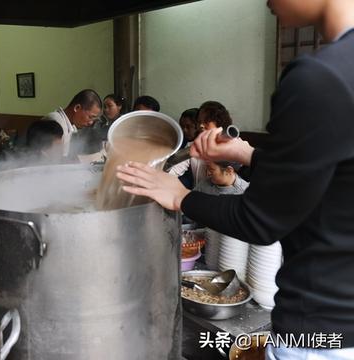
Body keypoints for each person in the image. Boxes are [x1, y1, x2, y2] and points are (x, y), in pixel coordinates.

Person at [117, 1, 354, 358]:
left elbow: (260, 220)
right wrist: (248, 154)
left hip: (317, 332)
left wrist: (179, 196)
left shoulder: (320, 77)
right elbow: (334, 182)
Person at [170, 101, 234, 188]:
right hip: (199, 195)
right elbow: (175, 170)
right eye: (200, 122)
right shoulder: (192, 146)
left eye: (206, 122)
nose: (201, 125)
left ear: (219, 122)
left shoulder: (233, 145)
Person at [41, 89, 102, 158]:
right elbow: (52, 160)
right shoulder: (55, 122)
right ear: (77, 108)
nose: (91, 122)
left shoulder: (72, 126)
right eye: (90, 117)